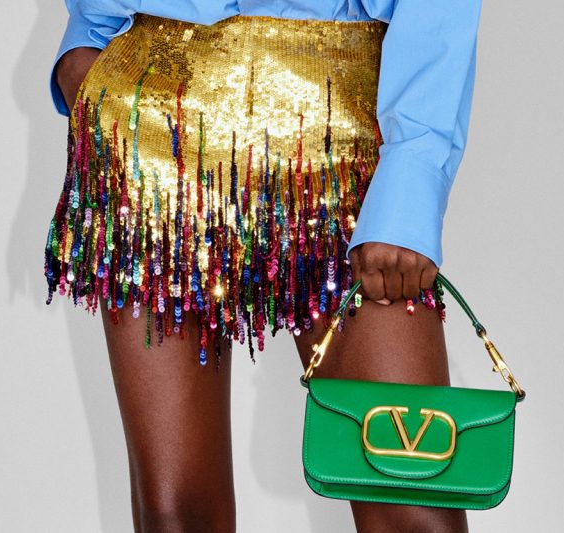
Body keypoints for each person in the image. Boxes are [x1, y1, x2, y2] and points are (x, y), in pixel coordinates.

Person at [43, 1, 483, 531]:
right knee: (175, 514)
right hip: (152, 125)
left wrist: (409, 184)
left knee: (412, 504)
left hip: (339, 129)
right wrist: (85, 39)